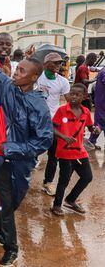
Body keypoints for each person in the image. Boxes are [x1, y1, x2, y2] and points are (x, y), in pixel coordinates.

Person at [0, 24, 53, 266]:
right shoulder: (8, 86)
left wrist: (12, 148)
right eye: (16, 69)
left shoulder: (40, 106)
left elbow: (44, 140)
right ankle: (11, 248)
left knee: (12, 202)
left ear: (33, 78)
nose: (15, 73)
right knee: (5, 202)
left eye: (21, 71)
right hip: (2, 159)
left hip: (21, 163)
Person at [51, 84, 95, 216]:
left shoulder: (86, 111)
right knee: (64, 180)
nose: (73, 96)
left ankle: (70, 200)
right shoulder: (62, 110)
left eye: (77, 94)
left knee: (87, 177)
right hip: (65, 152)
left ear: (84, 97)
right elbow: (52, 128)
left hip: (80, 151)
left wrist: (95, 130)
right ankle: (57, 205)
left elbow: (90, 127)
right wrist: (63, 136)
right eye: (71, 93)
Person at [36, 52, 70, 196]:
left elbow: (69, 102)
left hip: (53, 123)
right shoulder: (37, 77)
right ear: (46, 63)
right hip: (36, 121)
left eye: (60, 62)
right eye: (55, 62)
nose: (58, 65)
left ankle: (47, 183)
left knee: (53, 155)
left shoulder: (63, 81)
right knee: (32, 150)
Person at [89, 63, 105, 149]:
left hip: (101, 102)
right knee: (100, 122)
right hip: (102, 103)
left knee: (101, 123)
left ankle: (92, 141)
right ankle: (91, 141)